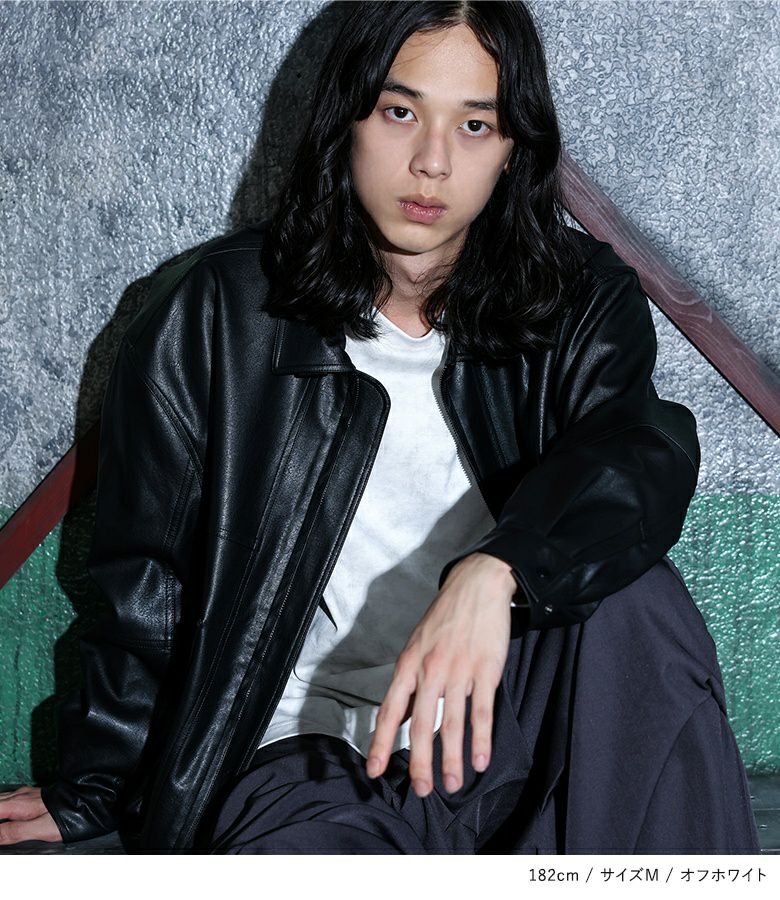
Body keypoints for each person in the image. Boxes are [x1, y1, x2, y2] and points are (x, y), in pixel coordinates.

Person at [0, 0, 760, 854]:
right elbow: (149, 588)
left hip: (509, 738)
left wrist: (497, 569)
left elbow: (638, 452)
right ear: (347, 119)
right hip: (309, 754)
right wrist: (95, 790)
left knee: (638, 601)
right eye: (401, 112)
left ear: (513, 149)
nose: (432, 162)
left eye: (475, 125)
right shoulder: (217, 316)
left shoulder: (577, 297)